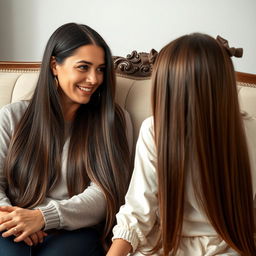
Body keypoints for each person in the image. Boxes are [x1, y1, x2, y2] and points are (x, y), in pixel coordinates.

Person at [107, 33, 256, 255]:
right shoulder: (154, 131)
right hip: (165, 245)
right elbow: (138, 212)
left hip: (228, 245)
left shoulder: (249, 131)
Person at [0, 22, 132, 256]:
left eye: (101, 69)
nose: (94, 79)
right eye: (84, 67)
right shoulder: (12, 116)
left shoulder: (112, 120)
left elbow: (104, 194)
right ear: (54, 66)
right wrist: (15, 218)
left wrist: (42, 217)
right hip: (15, 223)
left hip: (75, 231)